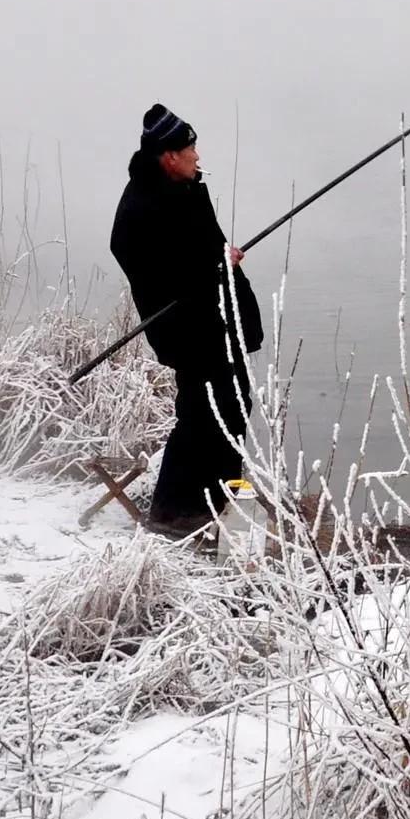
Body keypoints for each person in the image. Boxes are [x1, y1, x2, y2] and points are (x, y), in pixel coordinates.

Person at [109, 103, 263, 538]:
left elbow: (202, 244)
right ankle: (171, 512)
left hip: (216, 313)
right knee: (201, 410)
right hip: (184, 324)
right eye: (190, 148)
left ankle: (218, 499)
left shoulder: (187, 186)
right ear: (168, 155)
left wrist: (221, 261)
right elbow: (135, 253)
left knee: (234, 401)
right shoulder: (142, 202)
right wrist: (209, 266)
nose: (197, 155)